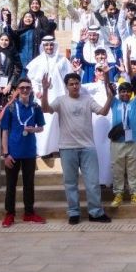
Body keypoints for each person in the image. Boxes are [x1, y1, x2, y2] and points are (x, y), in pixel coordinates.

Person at [42, 71, 114, 224]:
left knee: (93, 182)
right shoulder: (61, 101)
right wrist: (45, 90)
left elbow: (103, 111)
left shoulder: (87, 99)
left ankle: (95, 212)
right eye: (71, 84)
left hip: (88, 147)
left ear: (80, 84)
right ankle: (74, 212)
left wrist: (109, 98)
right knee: (70, 183)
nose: (75, 86)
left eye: (77, 83)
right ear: (66, 86)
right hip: (67, 147)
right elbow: (45, 109)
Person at [0, 78, 46, 226]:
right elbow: (4, 132)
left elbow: (41, 127)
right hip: (13, 152)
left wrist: (33, 130)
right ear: (17, 90)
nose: (25, 90)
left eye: (27, 87)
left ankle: (29, 213)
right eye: (22, 88)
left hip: (29, 152)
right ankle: (9, 214)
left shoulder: (35, 107)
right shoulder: (10, 107)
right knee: (11, 184)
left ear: (31, 90)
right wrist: (6, 154)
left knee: (29, 184)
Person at [27, 36, 72, 158]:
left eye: (51, 45)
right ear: (43, 46)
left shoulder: (63, 60)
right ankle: (43, 150)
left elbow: (69, 78)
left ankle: (56, 149)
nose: (49, 47)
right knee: (44, 123)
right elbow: (34, 80)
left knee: (57, 123)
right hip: (43, 97)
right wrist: (37, 91)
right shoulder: (38, 61)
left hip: (59, 94)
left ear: (55, 45)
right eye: (46, 45)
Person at [108, 80, 136, 206]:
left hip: (133, 140)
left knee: (134, 169)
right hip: (117, 141)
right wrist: (106, 75)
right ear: (118, 93)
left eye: (128, 92)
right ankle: (118, 194)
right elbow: (108, 90)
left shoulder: (135, 103)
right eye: (122, 91)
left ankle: (135, 194)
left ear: (131, 93)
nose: (125, 94)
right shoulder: (114, 103)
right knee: (117, 169)